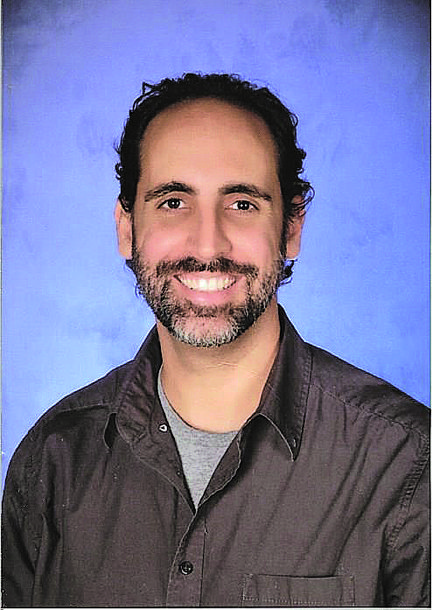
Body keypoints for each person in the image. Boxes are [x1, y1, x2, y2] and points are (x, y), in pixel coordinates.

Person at [2, 73, 429, 608]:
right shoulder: (53, 459)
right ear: (126, 228)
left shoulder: (409, 464)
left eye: (242, 203)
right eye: (173, 202)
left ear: (291, 228)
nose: (208, 245)